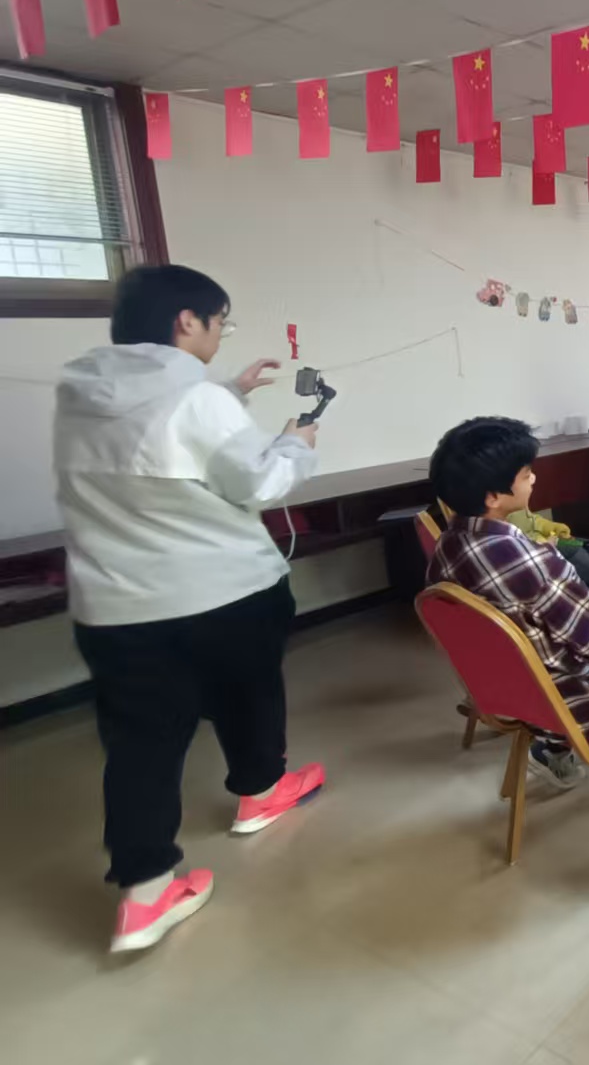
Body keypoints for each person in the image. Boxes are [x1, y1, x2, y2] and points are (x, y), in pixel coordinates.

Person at [55, 265, 323, 953]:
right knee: (249, 694)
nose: (219, 335)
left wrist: (231, 391)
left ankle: (144, 896)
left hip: (115, 604)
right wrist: (295, 444)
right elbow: (258, 482)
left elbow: (151, 440)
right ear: (187, 321)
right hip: (222, 592)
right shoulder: (199, 400)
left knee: (140, 742)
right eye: (219, 323)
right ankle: (260, 791)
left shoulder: (81, 393)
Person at [428, 416, 589, 790]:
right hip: (587, 699)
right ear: (492, 497)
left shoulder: (446, 548)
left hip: (520, 693)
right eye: (526, 475)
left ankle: (555, 752)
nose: (534, 479)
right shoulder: (532, 563)